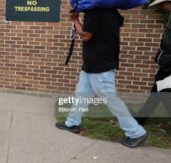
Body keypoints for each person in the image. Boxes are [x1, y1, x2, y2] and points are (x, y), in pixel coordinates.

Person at [56, 8, 148, 148]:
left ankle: (136, 132)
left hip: (100, 65)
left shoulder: (94, 12)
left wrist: (75, 19)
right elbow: (118, 24)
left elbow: (86, 35)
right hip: (92, 64)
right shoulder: (112, 11)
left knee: (110, 99)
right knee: (82, 94)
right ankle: (72, 122)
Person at [135, 0, 171, 126]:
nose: (162, 7)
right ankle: (141, 119)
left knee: (165, 94)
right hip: (169, 64)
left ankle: (141, 119)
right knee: (157, 90)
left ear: (169, 2)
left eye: (162, 4)